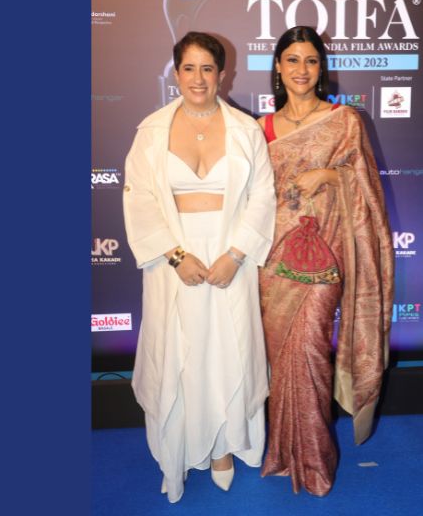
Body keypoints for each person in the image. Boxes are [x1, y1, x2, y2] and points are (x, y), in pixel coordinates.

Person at [123, 31, 276, 503]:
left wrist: (236, 255)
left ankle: (223, 445)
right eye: (188, 68)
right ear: (175, 73)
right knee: (178, 353)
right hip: (174, 259)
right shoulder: (151, 131)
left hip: (230, 257)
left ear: (222, 74)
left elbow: (262, 197)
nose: (198, 78)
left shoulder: (246, 130)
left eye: (207, 68)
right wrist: (174, 255)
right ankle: (181, 448)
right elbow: (139, 198)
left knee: (227, 350)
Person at [258, 25, 394, 496]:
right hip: (272, 262)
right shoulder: (259, 128)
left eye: (311, 60)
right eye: (292, 60)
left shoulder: (344, 121)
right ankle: (282, 454)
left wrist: (331, 176)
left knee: (312, 351)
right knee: (280, 361)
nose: (302, 69)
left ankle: (315, 462)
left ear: (322, 68)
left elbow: (367, 189)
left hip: (324, 257)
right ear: (278, 68)